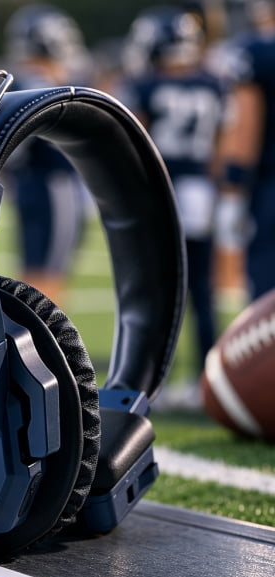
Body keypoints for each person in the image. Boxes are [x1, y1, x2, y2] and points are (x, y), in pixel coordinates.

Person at [122, 6, 225, 371]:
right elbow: (220, 145)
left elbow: (134, 138)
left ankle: (154, 376)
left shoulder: (145, 85)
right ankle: (206, 372)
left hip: (160, 190)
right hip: (200, 192)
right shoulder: (213, 82)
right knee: (202, 289)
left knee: (158, 288)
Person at [2, 4, 92, 305]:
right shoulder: (49, 86)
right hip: (54, 186)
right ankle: (47, 347)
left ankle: (28, 342)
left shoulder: (16, 85)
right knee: (49, 275)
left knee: (29, 273)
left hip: (25, 185)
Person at [217, 0, 275, 301]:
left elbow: (246, 125)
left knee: (267, 294)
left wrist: (233, 185)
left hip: (269, 187)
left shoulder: (256, 51)